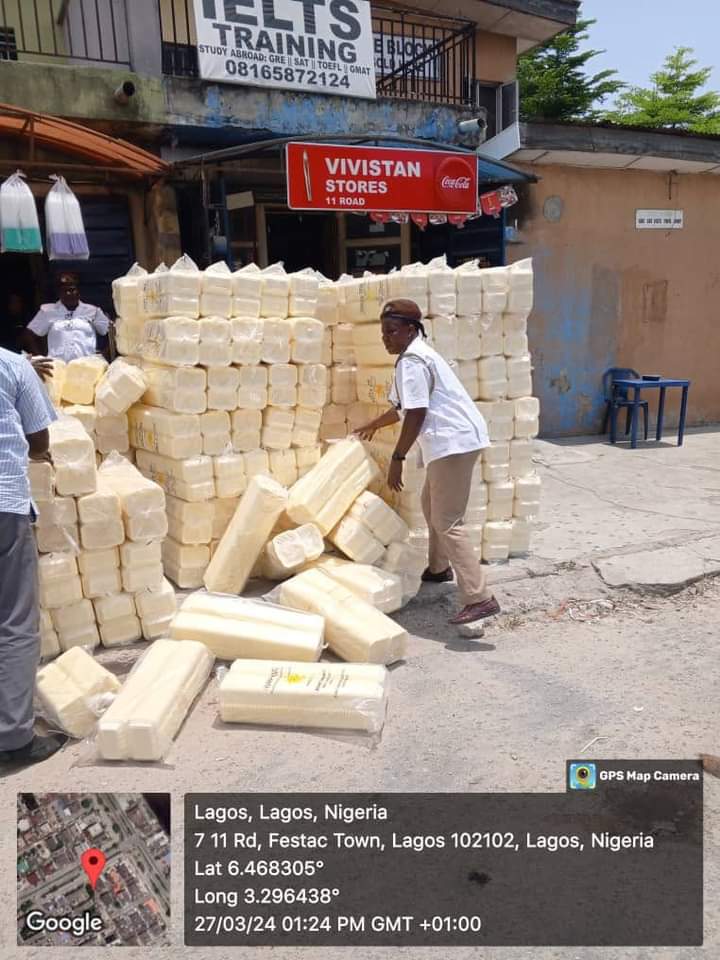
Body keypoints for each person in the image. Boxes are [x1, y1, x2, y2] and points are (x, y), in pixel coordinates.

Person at [355, 299, 501, 626]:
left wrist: (397, 457)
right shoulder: (415, 355)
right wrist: (373, 425)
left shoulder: (413, 361)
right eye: (383, 333)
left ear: (410, 329)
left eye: (391, 331)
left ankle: (480, 598)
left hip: (453, 442)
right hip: (453, 440)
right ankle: (438, 568)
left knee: (448, 520)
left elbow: (417, 413)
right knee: (430, 503)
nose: (385, 338)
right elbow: (403, 408)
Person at [0, 347, 66, 767]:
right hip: (3, 507)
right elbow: (39, 440)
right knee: (15, 622)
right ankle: (12, 738)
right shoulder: (11, 364)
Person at [24, 272, 110, 363]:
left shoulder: (93, 311)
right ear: (58, 293)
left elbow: (113, 333)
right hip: (59, 368)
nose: (69, 293)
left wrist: (104, 355)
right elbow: (28, 336)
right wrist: (42, 359)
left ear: (79, 291)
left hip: (87, 366)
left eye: (72, 290)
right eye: (64, 291)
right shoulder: (48, 311)